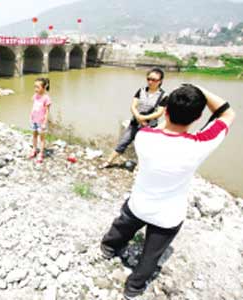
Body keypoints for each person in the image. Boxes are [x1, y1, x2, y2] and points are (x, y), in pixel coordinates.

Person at [99, 84, 236, 299]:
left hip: (139, 205)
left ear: (167, 111)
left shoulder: (144, 136)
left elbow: (160, 128)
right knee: (151, 255)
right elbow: (227, 113)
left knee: (123, 225)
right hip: (168, 216)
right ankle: (133, 288)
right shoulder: (200, 144)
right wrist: (199, 88)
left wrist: (174, 103)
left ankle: (109, 247)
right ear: (198, 117)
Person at [100, 68, 167, 169]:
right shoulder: (141, 90)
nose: (150, 82)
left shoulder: (163, 96)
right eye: (148, 79)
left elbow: (159, 113)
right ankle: (108, 161)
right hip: (135, 123)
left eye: (154, 80)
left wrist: (144, 117)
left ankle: (141, 168)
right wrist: (138, 117)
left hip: (149, 127)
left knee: (145, 149)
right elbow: (133, 106)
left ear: (160, 81)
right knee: (123, 142)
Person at [29, 78, 52, 163]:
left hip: (41, 122)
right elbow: (34, 106)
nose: (35, 89)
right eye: (35, 87)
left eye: (38, 87)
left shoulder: (46, 98)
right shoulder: (35, 96)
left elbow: (47, 112)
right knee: (34, 135)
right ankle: (34, 149)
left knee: (42, 139)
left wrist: (44, 123)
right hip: (34, 120)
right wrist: (31, 116)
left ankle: (41, 153)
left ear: (44, 87)